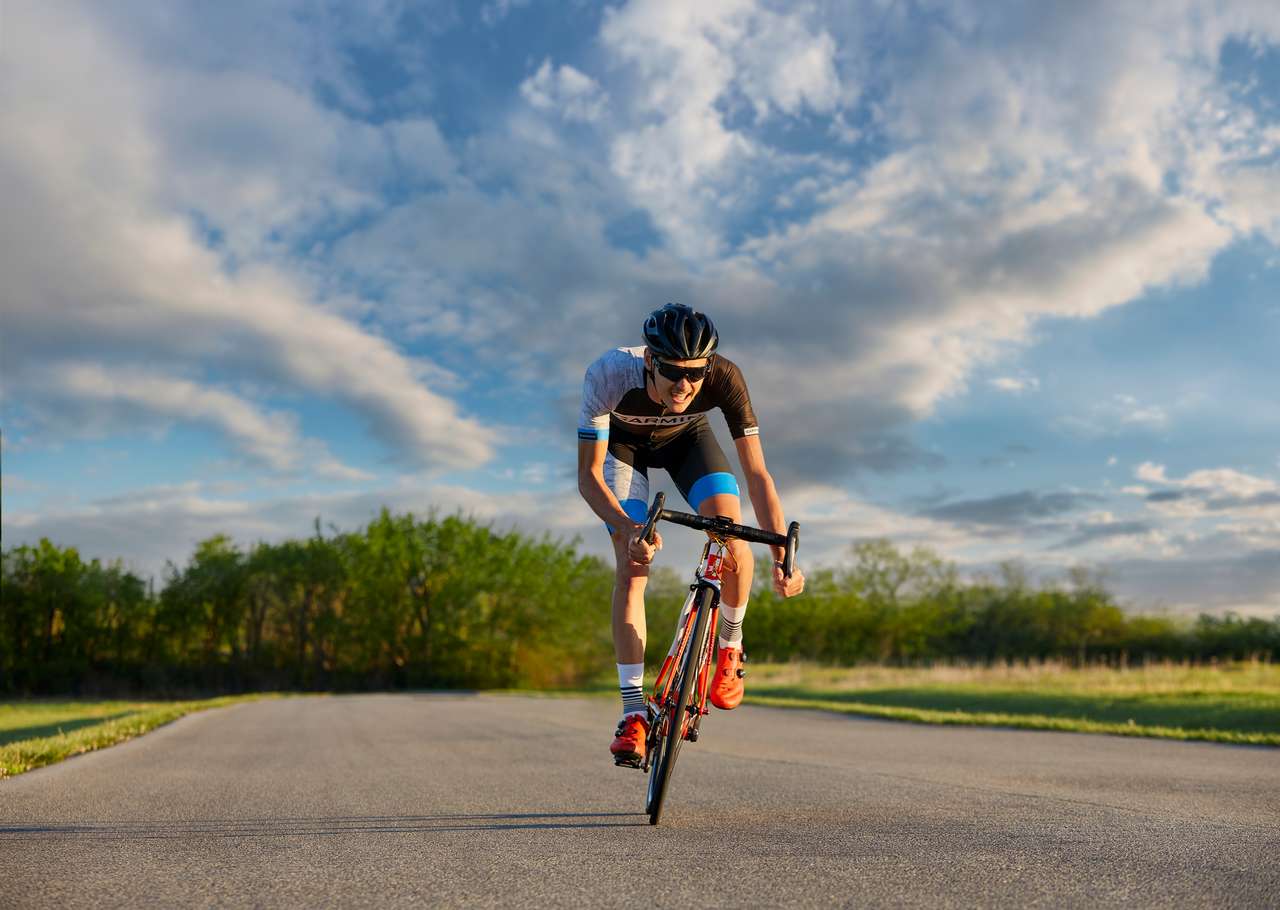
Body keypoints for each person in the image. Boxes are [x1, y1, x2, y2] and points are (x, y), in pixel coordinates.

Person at [576, 302, 806, 766]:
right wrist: (628, 528)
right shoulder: (608, 374)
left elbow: (757, 474)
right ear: (649, 361)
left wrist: (785, 554)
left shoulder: (725, 377)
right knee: (632, 560)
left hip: (688, 444)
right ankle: (633, 713)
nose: (685, 384)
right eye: (672, 372)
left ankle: (730, 645)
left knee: (732, 536)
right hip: (624, 450)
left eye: (696, 373)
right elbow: (589, 477)